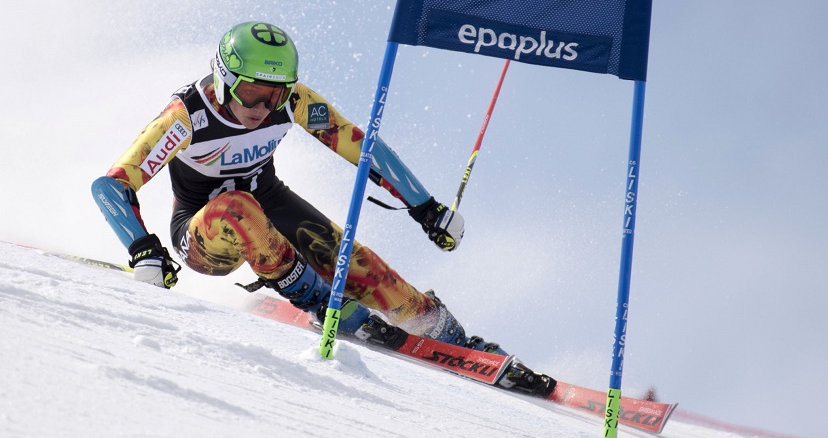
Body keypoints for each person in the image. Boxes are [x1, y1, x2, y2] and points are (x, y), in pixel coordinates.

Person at [90, 22, 552, 398]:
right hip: (206, 233)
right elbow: (112, 185)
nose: (263, 106)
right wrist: (143, 250)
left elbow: (359, 147)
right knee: (236, 207)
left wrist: (425, 207)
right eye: (252, 92)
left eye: (274, 94)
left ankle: (447, 336)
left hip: (270, 205)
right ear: (225, 78)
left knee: (356, 261)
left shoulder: (292, 101)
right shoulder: (188, 116)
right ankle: (317, 302)